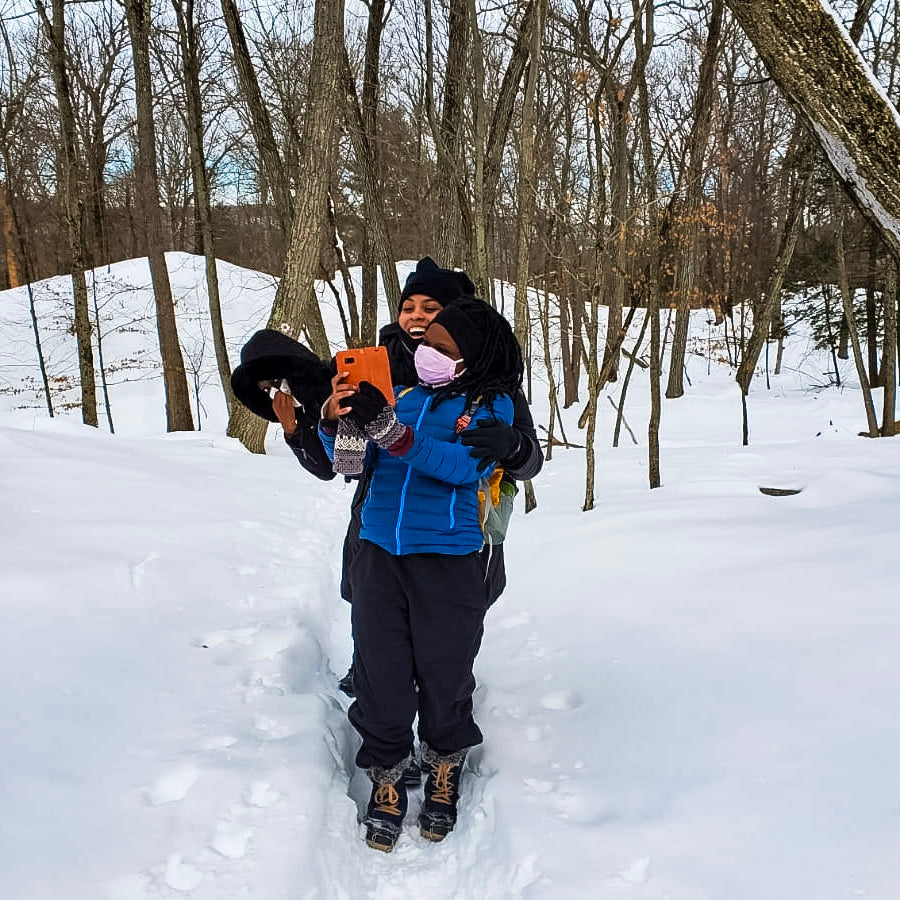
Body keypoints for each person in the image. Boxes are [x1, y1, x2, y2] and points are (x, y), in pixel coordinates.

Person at [318, 295, 525, 851]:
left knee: (444, 674)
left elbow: (461, 468)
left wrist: (393, 433)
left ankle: (444, 766)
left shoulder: (492, 406)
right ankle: (387, 778)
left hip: (449, 560)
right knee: (380, 676)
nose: (426, 353)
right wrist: (335, 419)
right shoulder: (401, 395)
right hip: (380, 555)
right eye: (426, 343)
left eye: (441, 347)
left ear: (473, 356)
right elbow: (351, 465)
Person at [338, 258, 543, 700]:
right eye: (408, 306)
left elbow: (527, 460)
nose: (416, 316)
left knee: (443, 647)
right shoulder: (379, 365)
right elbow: (339, 460)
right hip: (379, 521)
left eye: (431, 308)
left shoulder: (487, 376)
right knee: (378, 631)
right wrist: (315, 424)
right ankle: (377, 699)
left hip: (455, 531)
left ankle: (443, 734)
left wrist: (512, 447)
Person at [230, 329, 335, 481]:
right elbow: (326, 469)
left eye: (275, 382)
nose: (276, 393)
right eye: (267, 390)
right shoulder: (307, 411)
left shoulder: (331, 383)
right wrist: (291, 430)